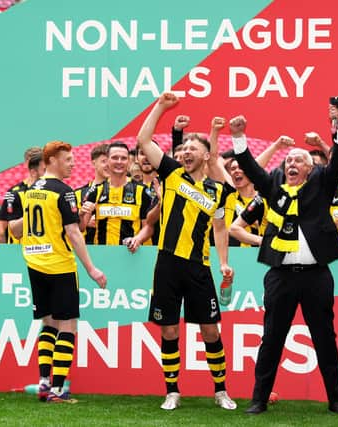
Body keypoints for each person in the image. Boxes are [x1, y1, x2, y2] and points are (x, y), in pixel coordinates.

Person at [230, 112, 338, 416]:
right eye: (288, 162)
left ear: (311, 170)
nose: (292, 165)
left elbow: (337, 161)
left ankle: (336, 400)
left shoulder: (321, 186)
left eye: (299, 162)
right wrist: (239, 136)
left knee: (325, 337)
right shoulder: (272, 189)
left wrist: (337, 128)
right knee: (271, 337)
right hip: (280, 276)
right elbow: (249, 168)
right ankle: (258, 399)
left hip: (317, 276)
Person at [137, 93, 236, 411]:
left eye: (194, 148)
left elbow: (220, 229)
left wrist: (223, 262)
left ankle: (221, 390)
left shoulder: (219, 191)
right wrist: (161, 107)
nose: (186, 152)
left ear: (207, 156)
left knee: (210, 330)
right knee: (168, 328)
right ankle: (172, 391)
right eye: (184, 149)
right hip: (166, 264)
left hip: (198, 266)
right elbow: (143, 139)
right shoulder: (171, 174)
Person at [8, 140, 107, 403]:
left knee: (48, 323)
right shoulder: (63, 192)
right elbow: (73, 232)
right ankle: (58, 389)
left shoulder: (32, 190)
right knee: (68, 326)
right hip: (59, 265)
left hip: (35, 263)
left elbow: (16, 229)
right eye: (67, 160)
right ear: (51, 161)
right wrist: (92, 269)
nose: (72, 163)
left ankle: (43, 383)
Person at [79, 142, 153, 252]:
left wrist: (138, 239)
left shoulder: (142, 191)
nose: (119, 162)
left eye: (123, 158)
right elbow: (81, 227)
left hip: (131, 256)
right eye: (115, 158)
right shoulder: (95, 191)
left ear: (128, 162)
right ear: (107, 161)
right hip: (102, 256)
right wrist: (81, 214)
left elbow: (148, 227)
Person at [0, 149, 45, 243]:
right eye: (31, 159)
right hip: (18, 250)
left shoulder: (53, 191)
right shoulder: (14, 193)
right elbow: (1, 230)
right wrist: (2, 255)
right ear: (26, 163)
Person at [74, 143, 110, 245]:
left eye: (110, 161)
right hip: (85, 249)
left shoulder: (122, 191)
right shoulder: (78, 193)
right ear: (94, 163)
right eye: (104, 161)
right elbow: (69, 224)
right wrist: (83, 220)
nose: (108, 165)